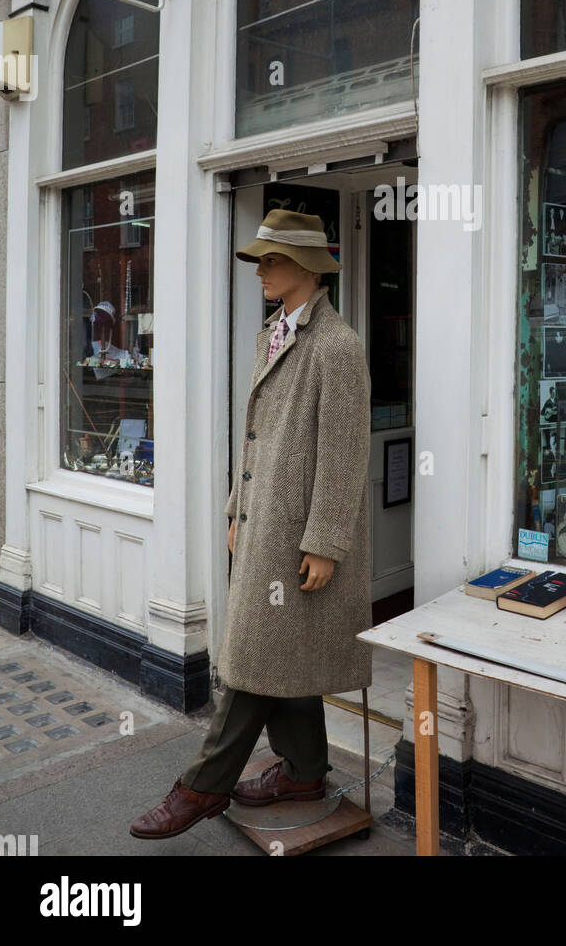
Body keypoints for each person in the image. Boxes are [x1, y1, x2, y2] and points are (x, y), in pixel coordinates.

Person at [130, 209, 371, 840]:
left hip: (298, 537)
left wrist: (324, 543)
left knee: (251, 656)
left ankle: (200, 788)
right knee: (285, 652)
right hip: (263, 526)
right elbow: (257, 437)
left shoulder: (338, 346)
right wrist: (237, 511)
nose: (260, 271)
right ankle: (305, 772)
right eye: (260, 259)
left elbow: (343, 455)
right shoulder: (276, 331)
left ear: (306, 267)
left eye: (271, 259)